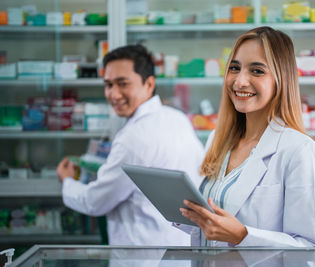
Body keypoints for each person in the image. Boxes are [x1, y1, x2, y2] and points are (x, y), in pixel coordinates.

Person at [179, 26, 315, 247]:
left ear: (281, 79)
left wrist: (243, 236)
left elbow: (311, 249)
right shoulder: (217, 140)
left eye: (257, 71)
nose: (240, 81)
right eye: (234, 68)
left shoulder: (298, 150)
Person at [56, 44, 205, 246]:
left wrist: (67, 182)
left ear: (149, 84)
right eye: (108, 85)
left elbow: (95, 202)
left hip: (142, 254)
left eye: (123, 83)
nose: (113, 94)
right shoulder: (177, 118)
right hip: (180, 250)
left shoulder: (134, 137)